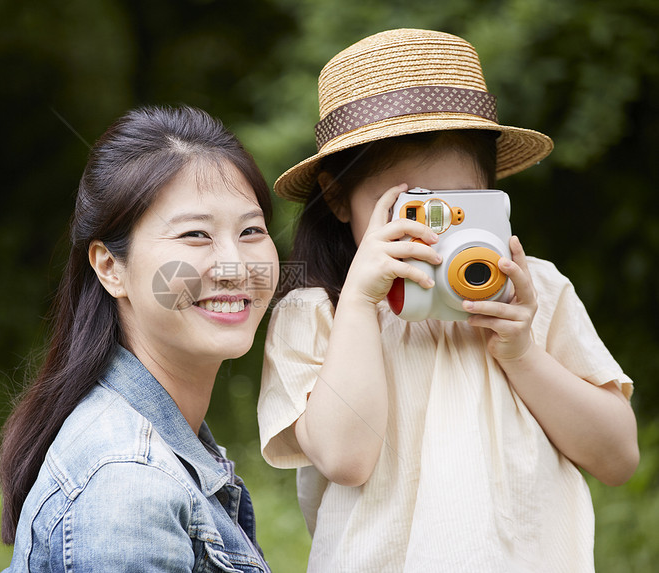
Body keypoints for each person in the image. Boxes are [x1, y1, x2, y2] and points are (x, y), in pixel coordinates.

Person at [257, 29, 639, 572]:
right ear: (339, 197)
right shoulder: (318, 313)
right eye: (412, 209)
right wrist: (364, 303)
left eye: (461, 206)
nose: (434, 235)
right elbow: (346, 458)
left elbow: (618, 457)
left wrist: (521, 353)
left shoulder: (538, 292)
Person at [0, 105, 278, 572]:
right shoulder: (128, 486)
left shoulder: (160, 449)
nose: (236, 266)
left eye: (251, 231)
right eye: (195, 235)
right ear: (110, 267)